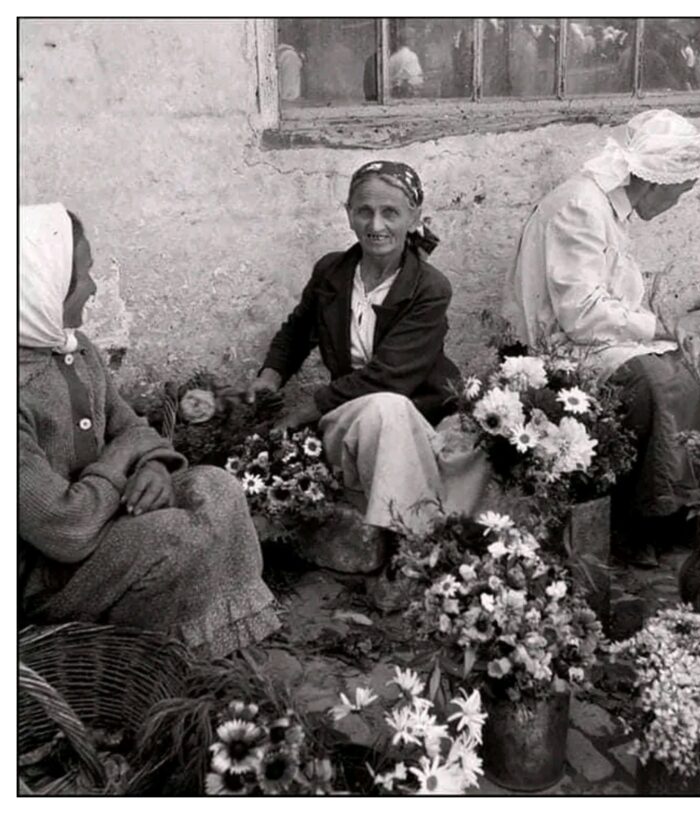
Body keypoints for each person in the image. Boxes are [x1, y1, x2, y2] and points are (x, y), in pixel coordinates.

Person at [19, 204, 279, 659]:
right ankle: (152, 660)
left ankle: (224, 639)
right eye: (81, 277)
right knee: (174, 535)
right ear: (40, 288)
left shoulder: (80, 355)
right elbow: (66, 530)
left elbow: (134, 429)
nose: (95, 288)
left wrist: (155, 467)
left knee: (217, 487)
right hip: (52, 576)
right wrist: (123, 460)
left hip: (110, 525)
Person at [503, 109, 700, 568]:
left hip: (596, 336)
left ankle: (691, 511)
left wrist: (668, 329)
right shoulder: (580, 205)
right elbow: (580, 314)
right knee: (655, 381)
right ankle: (640, 522)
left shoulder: (609, 208)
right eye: (682, 192)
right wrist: (660, 327)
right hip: (562, 343)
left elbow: (610, 300)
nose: (678, 202)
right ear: (657, 180)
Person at [249, 161, 472, 544]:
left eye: (391, 212)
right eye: (364, 211)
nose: (376, 225)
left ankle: (415, 543)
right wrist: (268, 378)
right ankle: (417, 546)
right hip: (351, 421)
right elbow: (297, 331)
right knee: (383, 410)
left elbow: (391, 376)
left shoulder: (429, 288)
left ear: (414, 216)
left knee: (394, 407)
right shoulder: (332, 273)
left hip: (419, 416)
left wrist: (300, 413)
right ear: (349, 214)